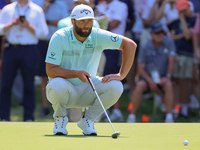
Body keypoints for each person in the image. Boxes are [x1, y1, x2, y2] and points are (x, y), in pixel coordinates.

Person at [45, 4, 136, 135]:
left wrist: (121, 75)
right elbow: (50, 70)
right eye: (82, 21)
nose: (86, 25)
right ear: (73, 21)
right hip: (64, 90)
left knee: (116, 85)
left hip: (89, 88)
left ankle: (88, 120)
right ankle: (60, 118)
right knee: (56, 83)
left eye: (90, 21)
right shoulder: (59, 37)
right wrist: (76, 74)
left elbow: (130, 45)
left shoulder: (97, 34)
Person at [0, 0, 48, 121]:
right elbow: (0, 28)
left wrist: (28, 26)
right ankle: (4, 117)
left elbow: (44, 33)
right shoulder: (8, 9)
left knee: (28, 84)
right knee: (5, 84)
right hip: (11, 48)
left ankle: (28, 118)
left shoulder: (37, 10)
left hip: (29, 49)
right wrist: (11, 24)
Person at [57, 0, 100, 122]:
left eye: (83, 2)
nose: (81, 5)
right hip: (71, 58)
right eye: (78, 2)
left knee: (94, 86)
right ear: (73, 5)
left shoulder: (95, 23)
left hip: (92, 57)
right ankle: (75, 120)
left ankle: (92, 120)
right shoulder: (63, 22)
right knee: (75, 86)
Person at [127, 21, 175, 123]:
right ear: (151, 34)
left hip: (163, 77)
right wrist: (150, 81)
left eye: (162, 32)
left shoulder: (169, 42)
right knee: (139, 85)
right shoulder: (145, 46)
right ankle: (131, 116)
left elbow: (171, 61)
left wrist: (168, 76)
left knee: (169, 84)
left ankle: (169, 116)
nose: (160, 35)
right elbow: (140, 68)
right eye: (157, 33)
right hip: (147, 78)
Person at [32, 0, 69, 118]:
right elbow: (33, 23)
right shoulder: (37, 5)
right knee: (44, 76)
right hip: (42, 44)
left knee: (61, 74)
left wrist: (46, 21)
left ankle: (61, 106)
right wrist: (44, 9)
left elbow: (64, 23)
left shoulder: (61, 5)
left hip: (59, 44)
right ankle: (45, 107)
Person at [96, 0, 128, 122]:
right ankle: (103, 109)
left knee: (113, 76)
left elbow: (113, 24)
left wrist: (100, 19)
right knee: (99, 76)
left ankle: (116, 110)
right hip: (99, 45)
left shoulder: (121, 6)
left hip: (114, 47)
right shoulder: (99, 6)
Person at [170, 0, 197, 118]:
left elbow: (187, 35)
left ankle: (184, 110)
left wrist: (182, 19)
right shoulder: (176, 21)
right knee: (176, 82)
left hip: (188, 55)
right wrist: (181, 33)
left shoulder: (195, 20)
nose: (181, 12)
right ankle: (175, 109)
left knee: (186, 83)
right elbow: (172, 36)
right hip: (177, 54)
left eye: (183, 10)